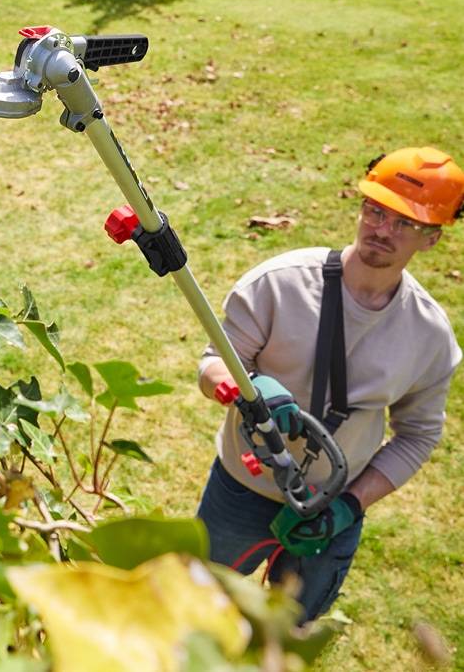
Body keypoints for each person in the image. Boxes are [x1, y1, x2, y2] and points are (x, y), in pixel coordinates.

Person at [195, 146, 464, 622]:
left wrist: (349, 507)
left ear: (432, 239)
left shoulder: (430, 337)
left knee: (288, 637)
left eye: (405, 223)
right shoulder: (279, 284)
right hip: (240, 492)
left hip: (332, 510)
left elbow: (419, 435)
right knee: (191, 616)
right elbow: (214, 365)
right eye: (376, 211)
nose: (382, 230)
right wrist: (249, 388)